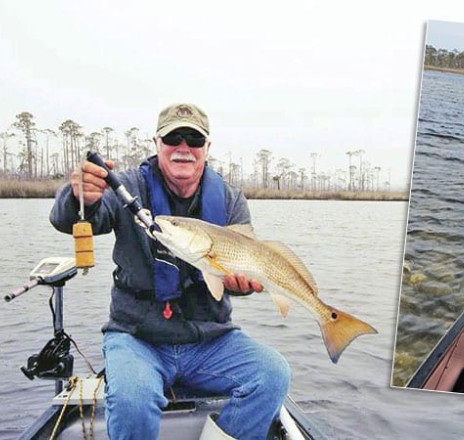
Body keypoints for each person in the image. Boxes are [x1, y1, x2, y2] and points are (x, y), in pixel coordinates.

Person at [50, 103, 291, 440]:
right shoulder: (127, 187)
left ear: (207, 149)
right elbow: (72, 218)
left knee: (273, 375)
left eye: (193, 139)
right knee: (133, 399)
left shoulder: (230, 200)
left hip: (210, 338)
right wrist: (78, 195)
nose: (183, 147)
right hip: (137, 337)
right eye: (172, 137)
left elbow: (231, 277)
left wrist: (243, 285)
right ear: (156, 142)